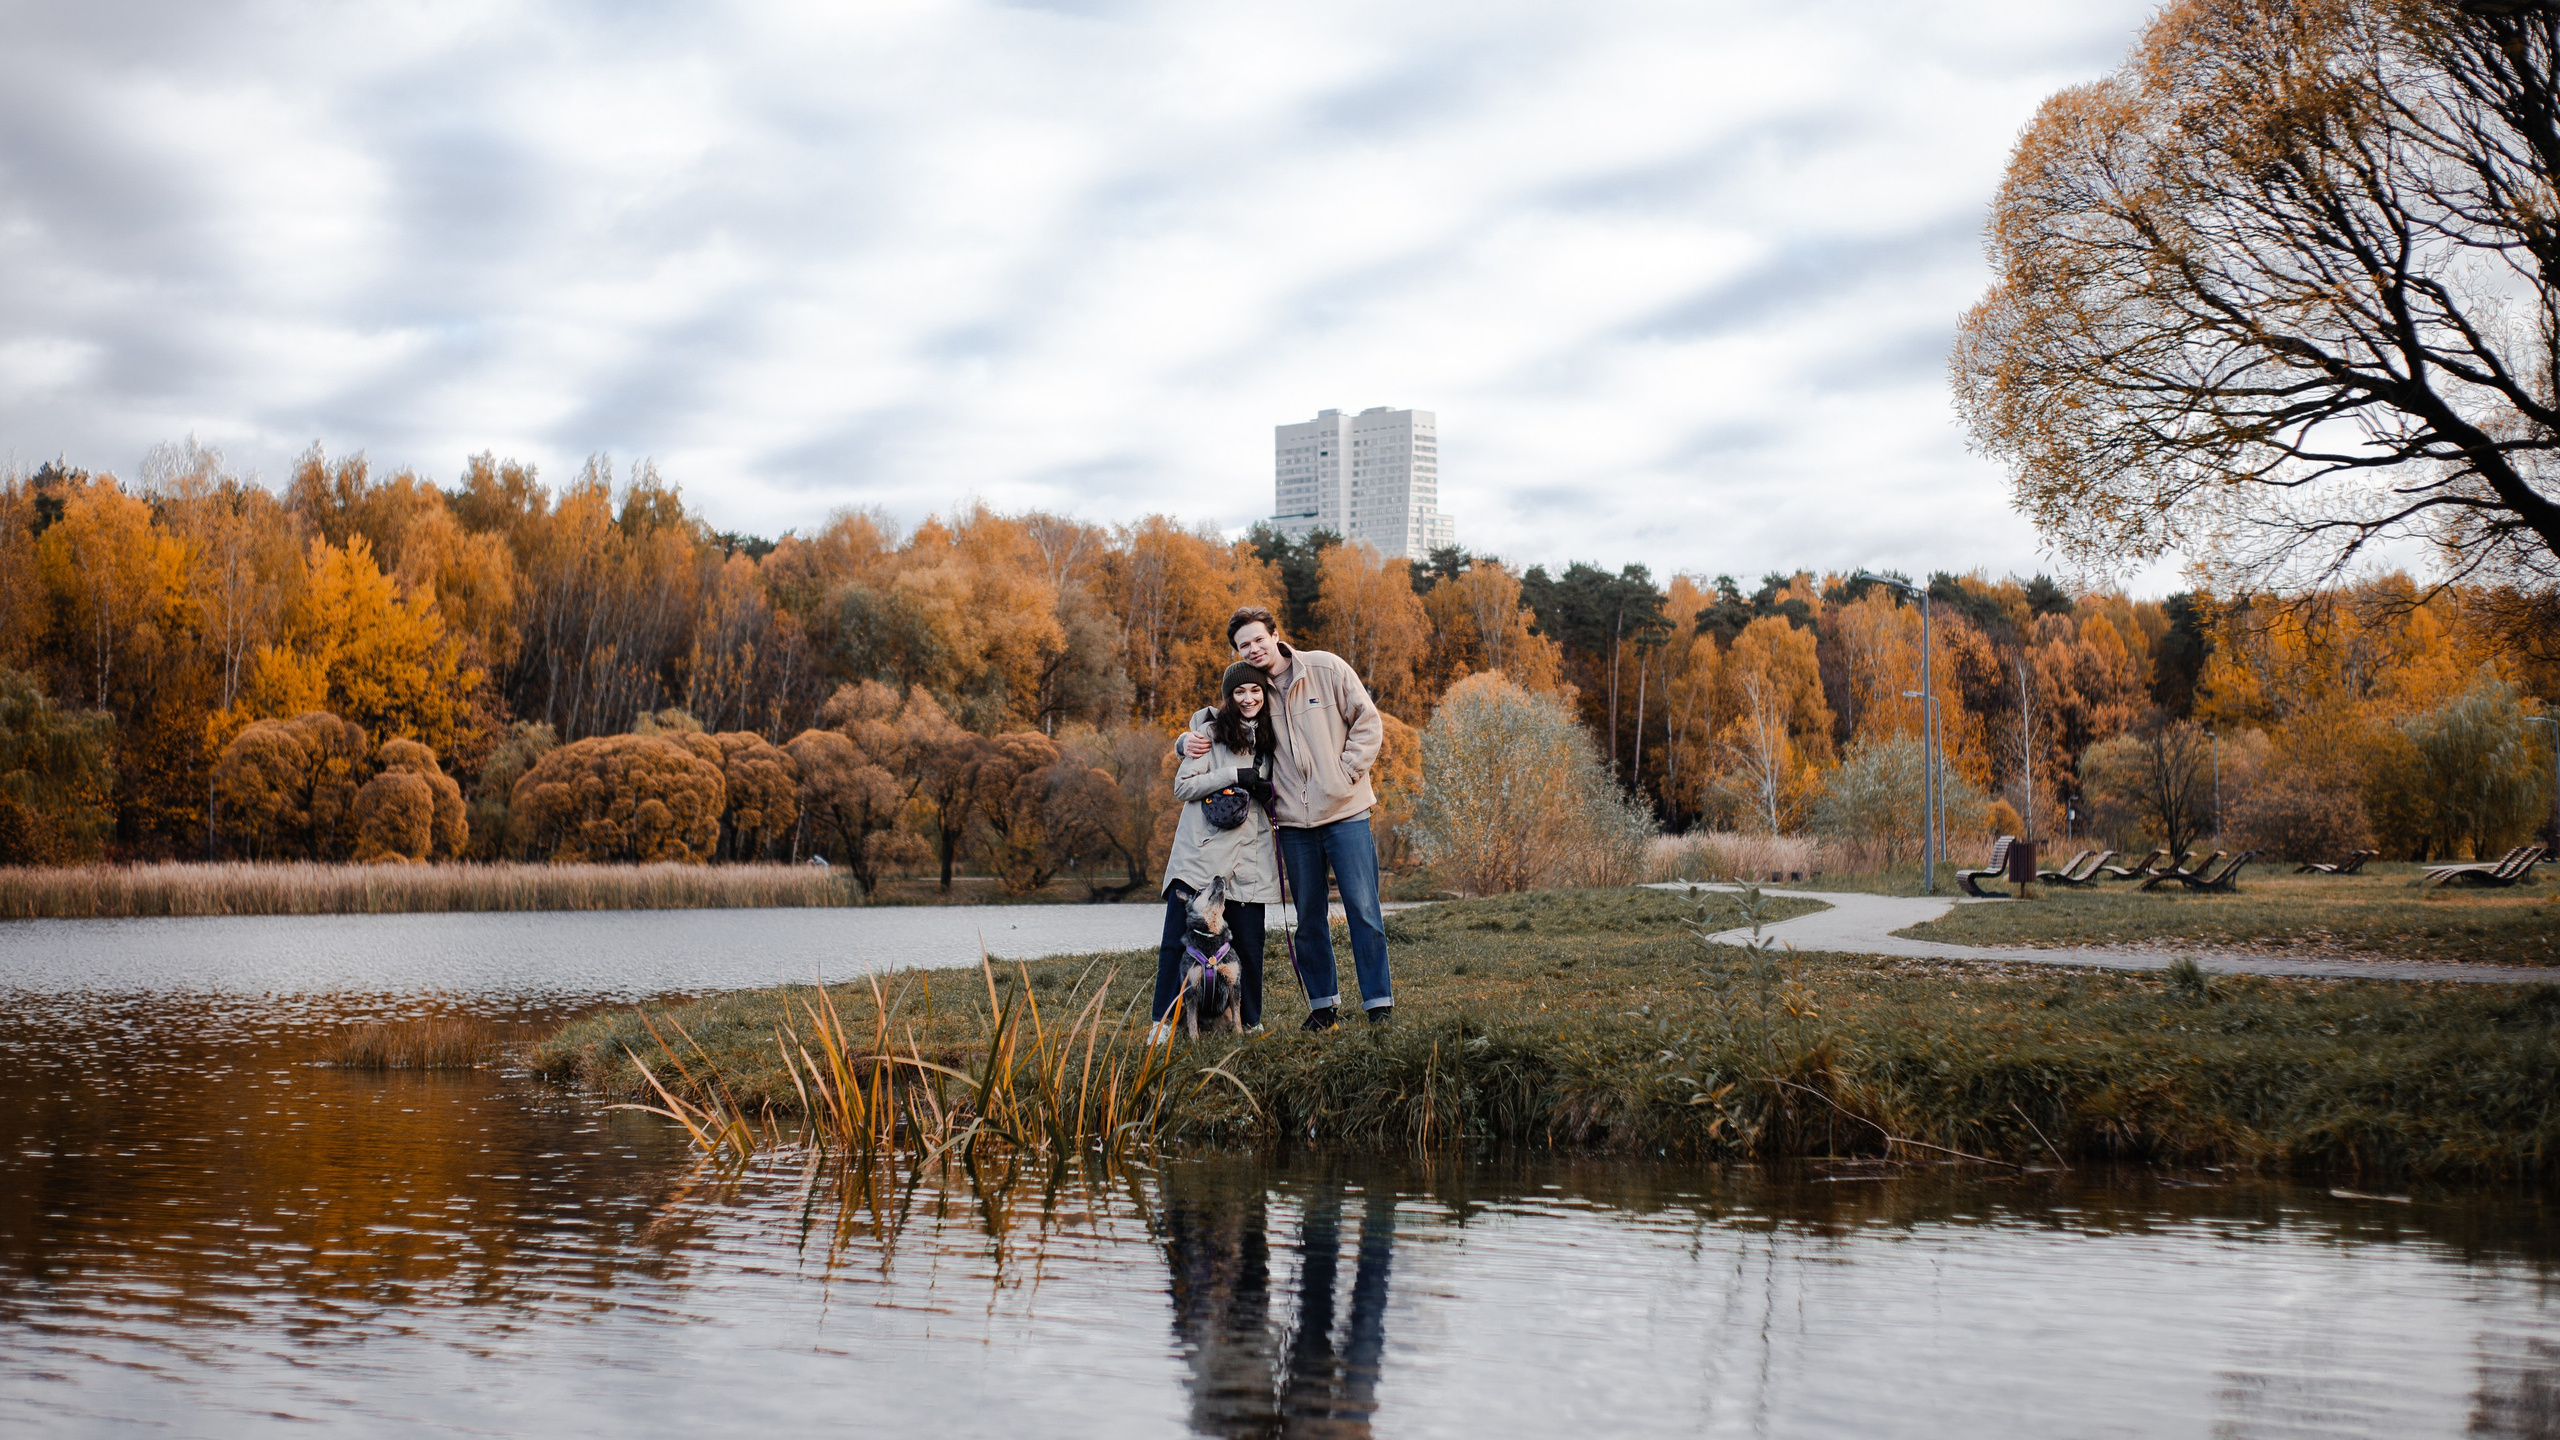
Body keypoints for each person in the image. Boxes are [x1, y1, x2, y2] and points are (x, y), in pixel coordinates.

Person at [1178, 606, 1391, 1030]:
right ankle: (1323, 1006)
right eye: (1244, 645)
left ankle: (1378, 1004)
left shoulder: (1325, 668)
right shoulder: (1255, 690)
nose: (1254, 649)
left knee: (1363, 910)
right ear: (1238, 652)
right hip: (1293, 824)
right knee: (1308, 917)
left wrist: (1347, 771)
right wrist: (1183, 741)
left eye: (1259, 639)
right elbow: (1212, 720)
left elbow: (1368, 721)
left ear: (1275, 635)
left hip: (1346, 813)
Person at [1152, 662, 1281, 1040]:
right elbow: (1183, 787)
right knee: (1177, 946)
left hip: (1250, 861)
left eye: (1255, 691)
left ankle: (1251, 1023)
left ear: (1266, 694)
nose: (1248, 698)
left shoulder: (1276, 738)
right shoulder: (1207, 734)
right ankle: (1160, 1026)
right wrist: (1233, 776)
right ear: (1228, 697)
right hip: (1200, 859)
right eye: (1239, 692)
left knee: (1250, 947)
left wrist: (1266, 791)